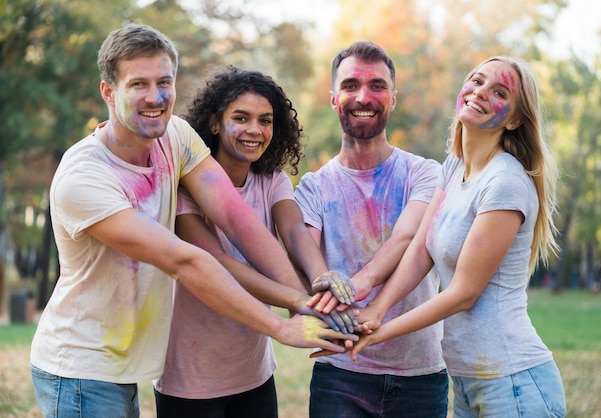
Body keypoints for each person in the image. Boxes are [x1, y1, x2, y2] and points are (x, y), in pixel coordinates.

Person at [29, 24, 356, 418]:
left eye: (164, 81)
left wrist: (305, 302)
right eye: (138, 84)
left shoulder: (176, 137)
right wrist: (283, 324)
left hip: (121, 362)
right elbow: (187, 261)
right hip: (79, 367)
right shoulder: (83, 179)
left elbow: (238, 219)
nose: (155, 97)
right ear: (108, 92)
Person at [350, 56, 567, 417]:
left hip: (512, 381)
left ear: (514, 119)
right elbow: (421, 249)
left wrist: (379, 332)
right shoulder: (453, 166)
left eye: (498, 91)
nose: (479, 92)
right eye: (476, 81)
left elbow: (463, 294)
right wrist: (377, 307)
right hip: (470, 381)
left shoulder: (505, 182)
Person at [154, 65, 357, 417]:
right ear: (214, 123)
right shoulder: (184, 188)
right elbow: (218, 262)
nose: (255, 130)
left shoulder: (271, 179)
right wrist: (299, 300)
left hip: (254, 374)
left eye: (265, 120)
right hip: (190, 378)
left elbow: (293, 232)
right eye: (241, 118)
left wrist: (321, 280)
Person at [294, 41, 449, 417]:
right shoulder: (313, 188)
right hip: (340, 375)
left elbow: (408, 237)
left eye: (377, 86)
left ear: (393, 98)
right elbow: (306, 269)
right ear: (334, 99)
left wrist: (355, 286)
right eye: (350, 86)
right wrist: (307, 309)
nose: (363, 96)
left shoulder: (424, 173)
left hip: (421, 376)